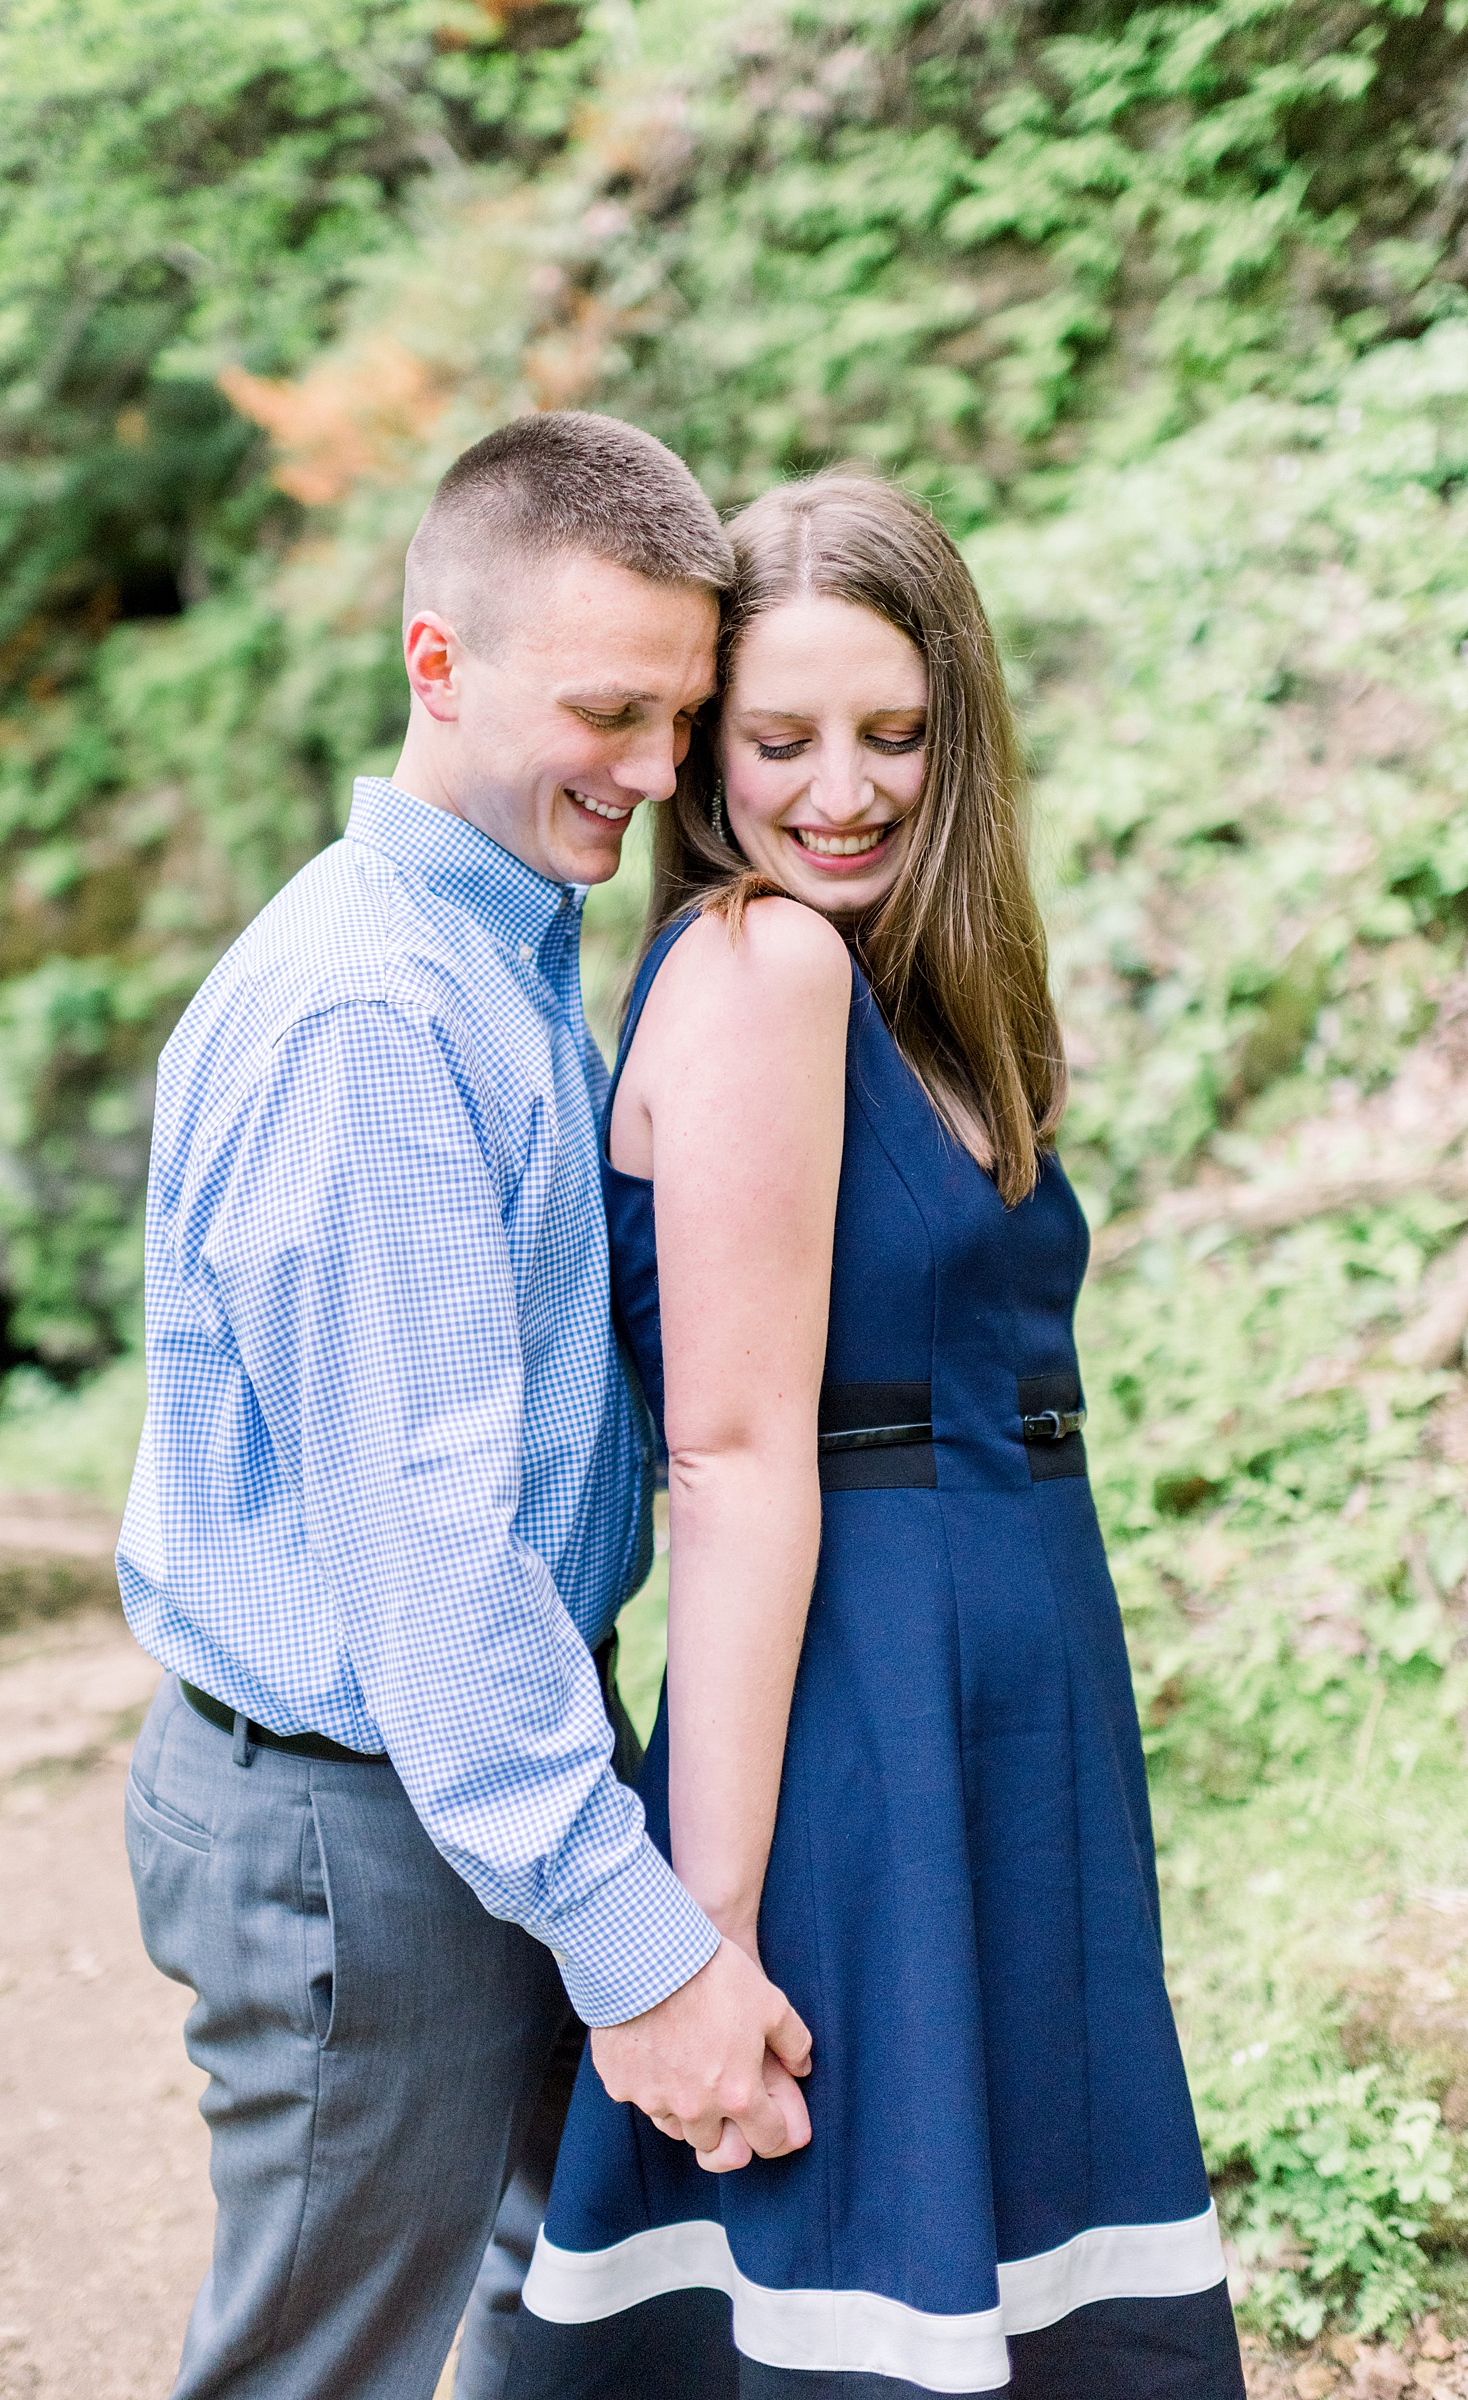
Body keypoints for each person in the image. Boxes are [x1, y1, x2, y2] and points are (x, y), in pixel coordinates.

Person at [509, 471, 1247, 2400]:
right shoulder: (765, 968)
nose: (840, 789)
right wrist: (699, 1935)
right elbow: (735, 1463)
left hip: (1014, 1720)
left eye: (894, 734)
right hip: (858, 1720)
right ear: (697, 760)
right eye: (778, 739)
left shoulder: (919, 994)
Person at [115, 411, 815, 2400]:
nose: (661, 772)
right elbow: (427, 1557)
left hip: (455, 1782)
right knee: (321, 2369)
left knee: (554, 2318)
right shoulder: (374, 1013)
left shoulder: (498, 943)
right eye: (609, 708)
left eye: (684, 715)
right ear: (440, 663)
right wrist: (648, 1944)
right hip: (366, 1814)